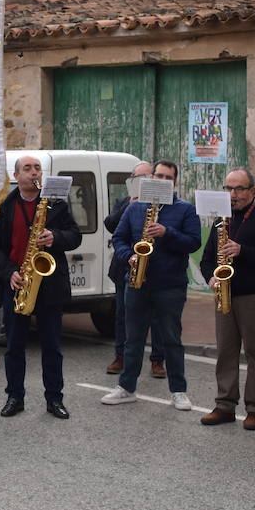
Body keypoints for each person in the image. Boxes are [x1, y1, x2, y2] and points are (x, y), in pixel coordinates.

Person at [0, 155, 81, 419]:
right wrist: (9, 272)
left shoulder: (56, 204)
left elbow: (75, 236)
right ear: (16, 176)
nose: (34, 172)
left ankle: (55, 399)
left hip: (50, 285)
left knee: (52, 347)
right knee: (14, 347)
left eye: (37, 168)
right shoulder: (4, 206)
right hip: (17, 282)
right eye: (27, 168)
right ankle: (14, 396)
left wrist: (55, 237)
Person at [101, 160, 201, 410]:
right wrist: (129, 256)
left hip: (170, 285)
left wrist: (167, 233)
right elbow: (119, 238)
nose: (163, 180)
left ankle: (178, 391)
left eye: (168, 177)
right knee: (133, 338)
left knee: (172, 339)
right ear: (151, 178)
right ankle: (126, 387)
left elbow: (193, 242)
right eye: (159, 176)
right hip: (137, 282)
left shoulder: (185, 209)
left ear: (174, 182)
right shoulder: (135, 207)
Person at [197, 167, 255, 430]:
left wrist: (242, 250)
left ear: (252, 191)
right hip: (224, 294)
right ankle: (224, 405)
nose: (232, 194)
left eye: (238, 189)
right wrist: (211, 278)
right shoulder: (221, 220)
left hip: (254, 296)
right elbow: (207, 259)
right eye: (229, 188)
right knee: (225, 352)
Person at [104, 162, 164, 379]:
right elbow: (110, 225)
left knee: (157, 318)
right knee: (123, 315)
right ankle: (121, 356)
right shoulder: (124, 202)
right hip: (125, 266)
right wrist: (129, 205)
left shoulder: (163, 203)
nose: (142, 182)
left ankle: (157, 360)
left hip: (155, 268)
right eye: (137, 178)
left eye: (147, 177)